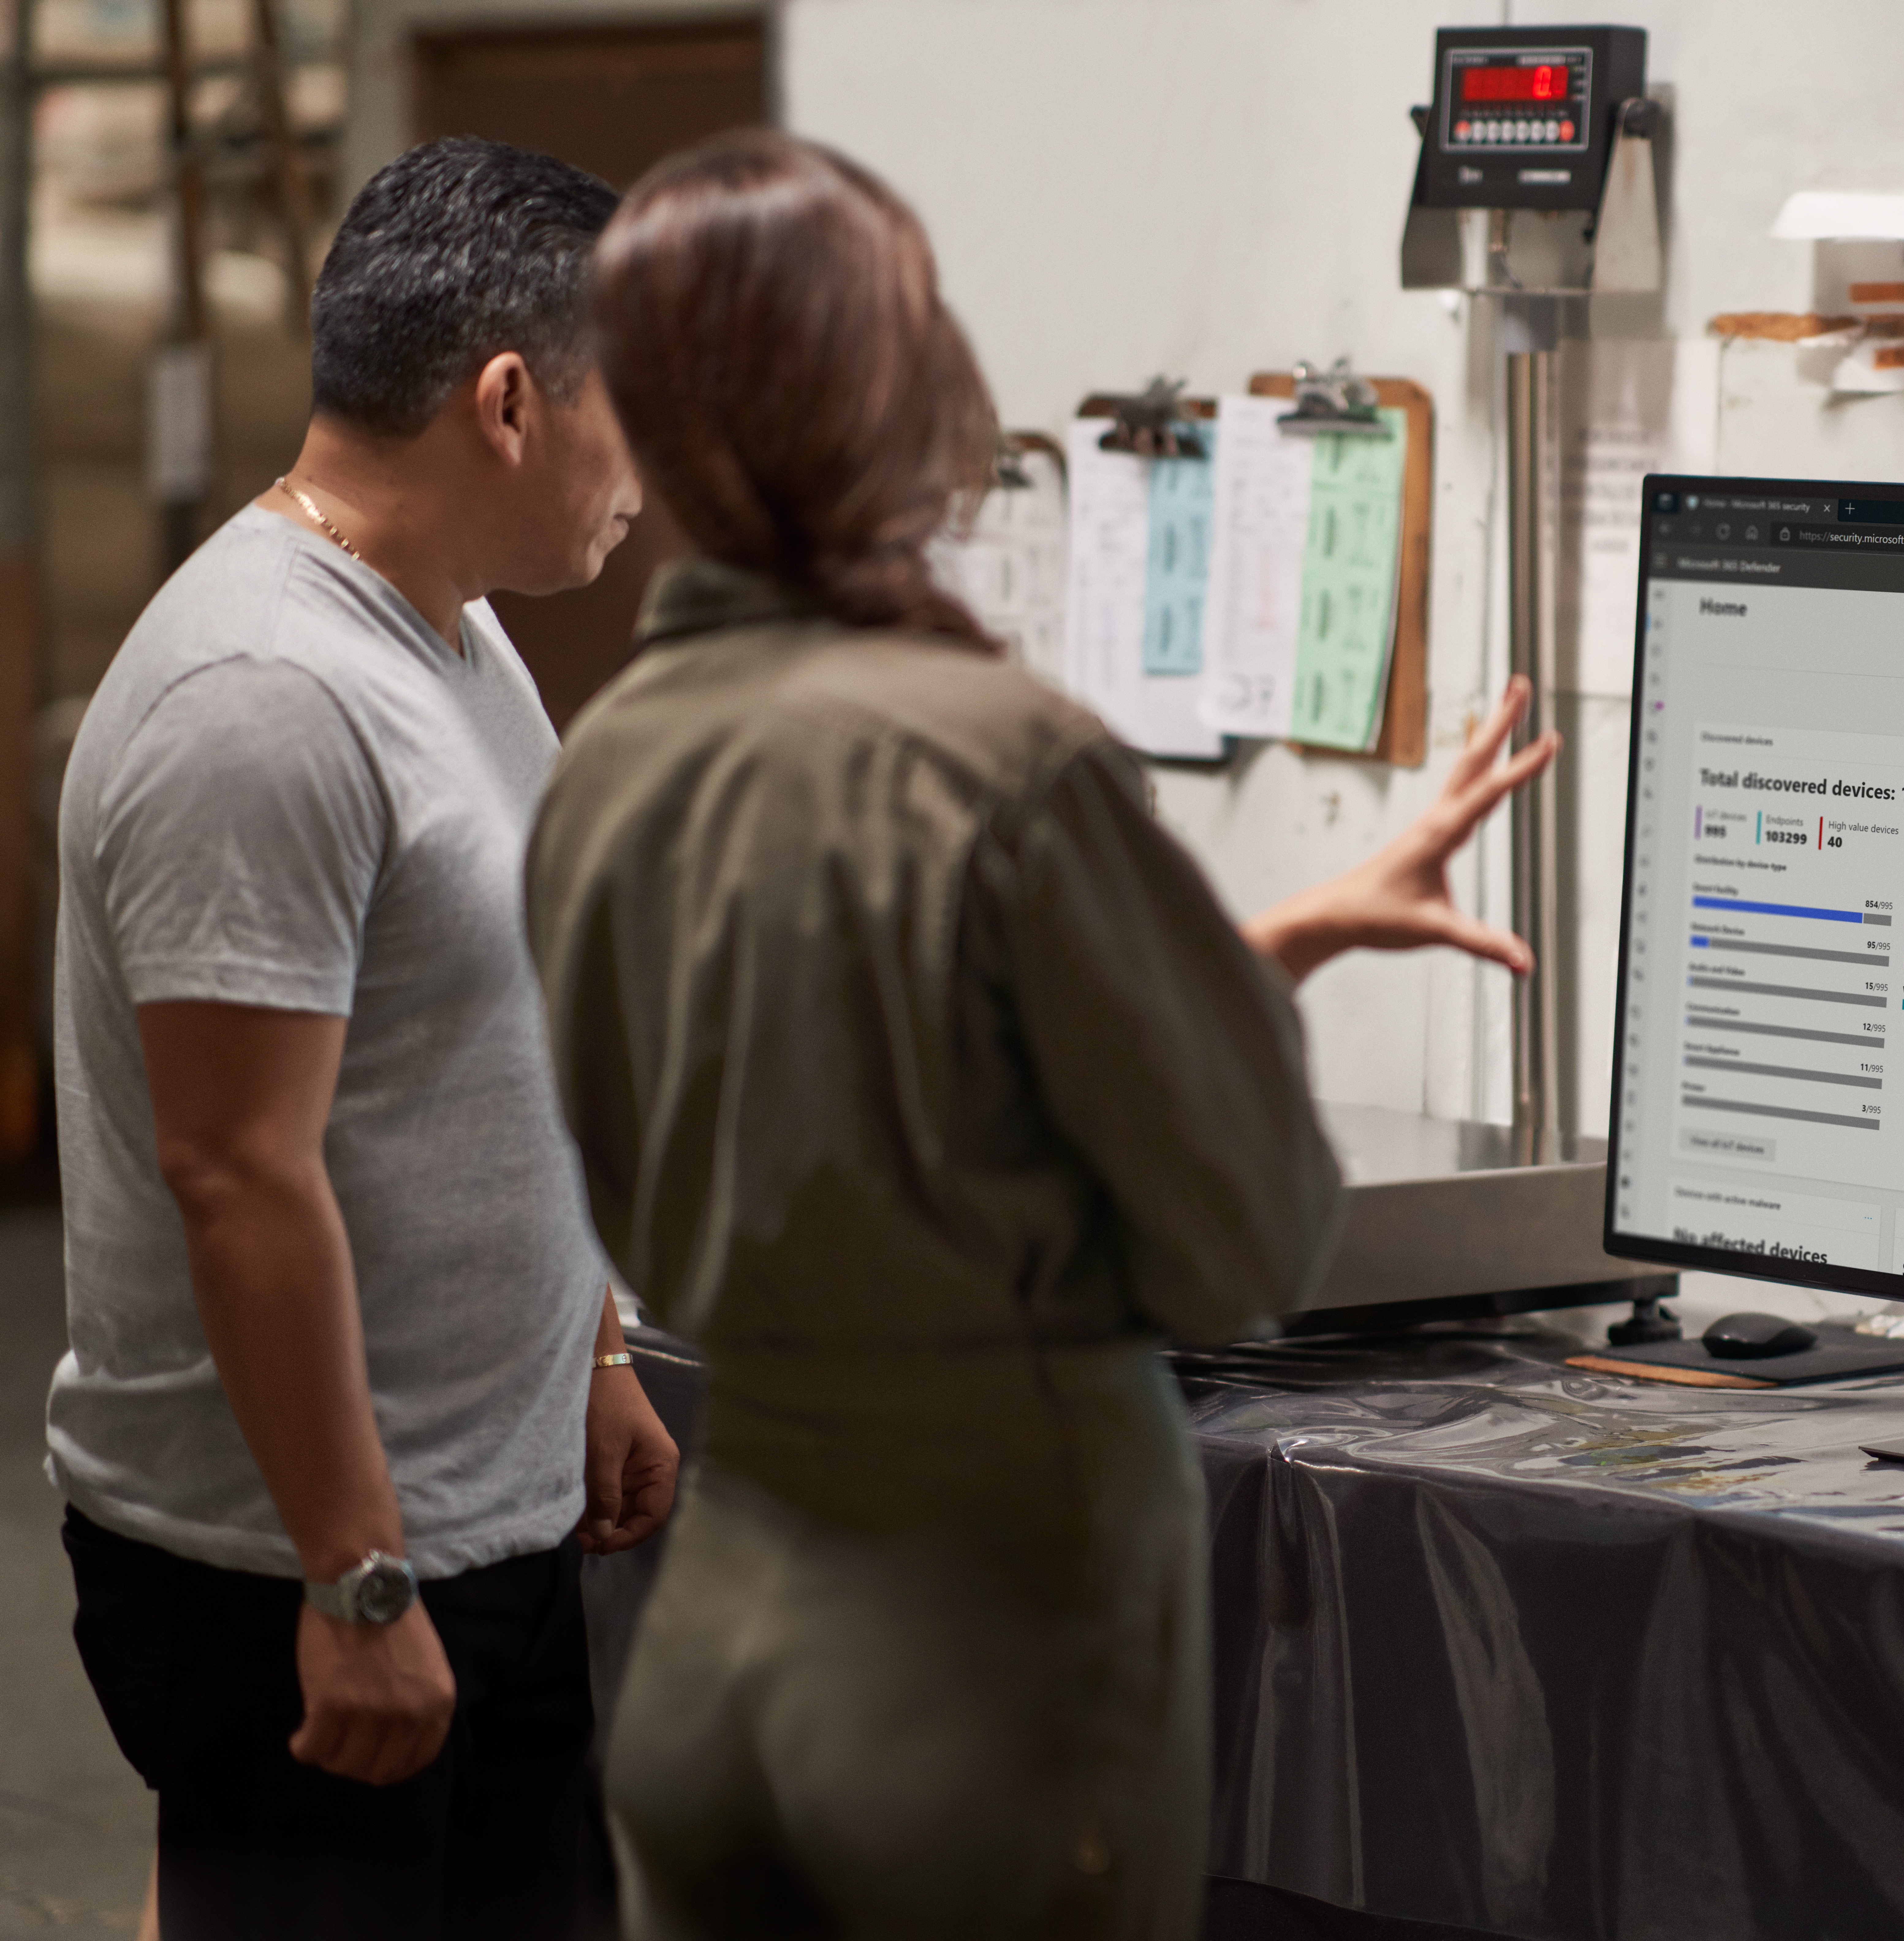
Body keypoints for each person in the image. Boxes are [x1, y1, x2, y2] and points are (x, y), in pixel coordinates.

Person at [523, 128, 1556, 1939]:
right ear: (880, 387)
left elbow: (851, 1055)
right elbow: (1241, 1241)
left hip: (715, 1663)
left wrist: (1264, 937)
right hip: (978, 1682)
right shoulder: (1002, 762)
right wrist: (1207, 1013)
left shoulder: (607, 757)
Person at [48, 137, 677, 1939]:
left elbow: (488, 1037)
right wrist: (357, 1580)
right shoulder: (266, 699)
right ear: (506, 401)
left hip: (488, 1520)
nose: (658, 466)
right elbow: (239, 1172)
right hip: (300, 1577)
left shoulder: (454, 640)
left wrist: (594, 1350)